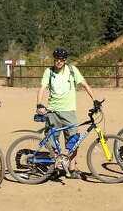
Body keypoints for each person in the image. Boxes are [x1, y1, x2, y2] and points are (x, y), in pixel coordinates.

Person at [36, 47, 100, 178]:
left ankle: (72, 168)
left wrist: (94, 100)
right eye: (57, 59)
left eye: (61, 59)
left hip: (69, 111)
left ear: (65, 60)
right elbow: (42, 88)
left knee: (74, 139)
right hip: (52, 111)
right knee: (52, 142)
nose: (59, 61)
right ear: (54, 59)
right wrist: (39, 103)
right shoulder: (49, 72)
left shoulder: (72, 70)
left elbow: (84, 84)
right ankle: (55, 168)